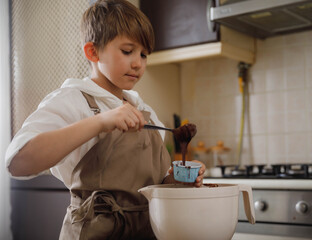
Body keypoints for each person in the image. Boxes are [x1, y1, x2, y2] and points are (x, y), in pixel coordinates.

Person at [5, 0, 205, 239]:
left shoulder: (145, 112)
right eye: (127, 51)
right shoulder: (72, 100)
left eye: (143, 55)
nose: (138, 64)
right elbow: (17, 162)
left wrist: (178, 179)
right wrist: (100, 122)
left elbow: (156, 182)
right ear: (93, 51)